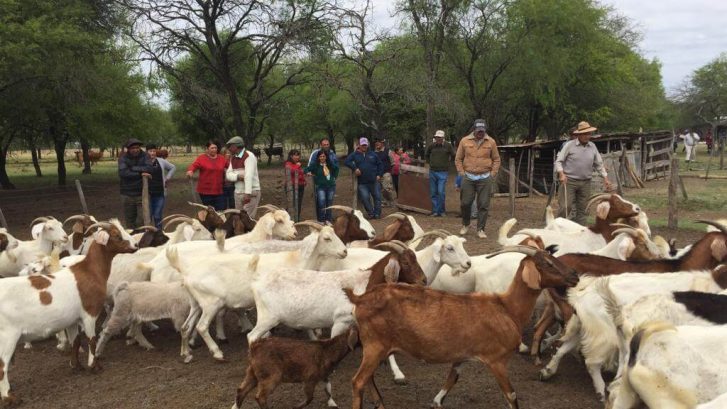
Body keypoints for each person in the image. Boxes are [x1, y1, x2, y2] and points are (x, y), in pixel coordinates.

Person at [555, 121, 613, 225]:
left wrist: (606, 178)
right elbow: (559, 161)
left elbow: (599, 164)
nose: (587, 136)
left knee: (583, 209)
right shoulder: (569, 145)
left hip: (586, 182)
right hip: (569, 181)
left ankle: (580, 230)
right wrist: (561, 174)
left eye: (589, 134)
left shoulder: (592, 146)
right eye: (585, 134)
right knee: (565, 207)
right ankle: (557, 227)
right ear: (579, 135)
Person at [455, 119, 501, 238]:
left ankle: (480, 229)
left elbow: (496, 159)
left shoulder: (491, 142)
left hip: (485, 177)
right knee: (465, 203)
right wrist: (461, 172)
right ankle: (465, 224)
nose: (481, 133)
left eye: (482, 130)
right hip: (468, 176)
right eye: (478, 130)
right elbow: (458, 158)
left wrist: (493, 174)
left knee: (484, 205)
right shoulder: (465, 141)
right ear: (474, 130)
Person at [118, 138, 154, 229]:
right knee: (130, 220)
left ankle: (142, 238)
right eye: (133, 148)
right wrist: (140, 173)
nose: (135, 150)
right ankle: (132, 240)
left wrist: (132, 168)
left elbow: (149, 169)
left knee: (143, 219)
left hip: (142, 193)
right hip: (127, 193)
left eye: (137, 147)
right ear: (128, 149)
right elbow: (123, 173)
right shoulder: (123, 158)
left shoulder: (146, 156)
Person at [345, 137, 383, 219]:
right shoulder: (354, 154)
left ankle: (377, 214)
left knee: (378, 197)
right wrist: (355, 168)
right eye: (362, 145)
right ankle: (371, 213)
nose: (364, 146)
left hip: (374, 181)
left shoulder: (373, 154)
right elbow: (346, 161)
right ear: (359, 145)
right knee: (365, 198)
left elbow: (380, 164)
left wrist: (379, 175)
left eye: (365, 145)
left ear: (367, 145)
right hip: (362, 183)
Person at [224, 136, 261, 218]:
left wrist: (247, 194)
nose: (229, 149)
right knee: (239, 219)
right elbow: (228, 175)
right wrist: (237, 176)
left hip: (251, 192)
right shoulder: (233, 158)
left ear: (235, 146)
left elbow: (248, 176)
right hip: (238, 192)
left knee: (247, 219)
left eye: (230, 146)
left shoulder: (249, 156)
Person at [186, 140, 227, 211]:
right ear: (207, 149)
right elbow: (194, 165)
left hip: (219, 190)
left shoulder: (222, 158)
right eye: (212, 148)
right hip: (205, 191)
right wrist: (190, 171)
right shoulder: (202, 158)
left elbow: (230, 166)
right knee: (210, 211)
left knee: (221, 210)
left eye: (215, 148)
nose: (214, 150)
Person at [425, 130, 456, 217]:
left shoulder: (448, 145)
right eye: (436, 137)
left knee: (441, 192)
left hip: (443, 172)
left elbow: (453, 155)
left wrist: (449, 163)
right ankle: (435, 211)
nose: (438, 139)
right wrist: (429, 163)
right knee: (433, 192)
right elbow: (426, 154)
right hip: (433, 171)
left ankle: (442, 211)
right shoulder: (432, 145)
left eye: (440, 137)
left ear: (443, 138)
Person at [145, 144, 176, 229]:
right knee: (148, 216)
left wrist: (167, 178)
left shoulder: (161, 161)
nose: (152, 153)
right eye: (150, 151)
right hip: (147, 195)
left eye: (154, 151)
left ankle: (159, 233)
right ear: (146, 152)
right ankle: (147, 233)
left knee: (157, 215)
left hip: (160, 193)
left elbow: (173, 167)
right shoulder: (143, 162)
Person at [305, 150, 339, 223]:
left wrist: (335, 177)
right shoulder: (315, 165)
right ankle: (321, 220)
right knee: (321, 203)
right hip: (320, 187)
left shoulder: (330, 164)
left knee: (329, 203)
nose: (322, 158)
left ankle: (328, 220)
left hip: (331, 186)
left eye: (324, 156)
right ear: (318, 157)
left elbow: (336, 168)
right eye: (320, 156)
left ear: (326, 157)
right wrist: (308, 173)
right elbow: (306, 169)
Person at [285, 149, 306, 220]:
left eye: (298, 155)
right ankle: (288, 218)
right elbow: (291, 171)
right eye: (295, 155)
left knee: (298, 202)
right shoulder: (288, 163)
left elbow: (300, 174)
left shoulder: (297, 164)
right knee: (291, 203)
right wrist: (297, 166)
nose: (297, 157)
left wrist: (304, 181)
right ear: (291, 156)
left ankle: (297, 218)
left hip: (300, 186)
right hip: (291, 186)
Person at [374, 138, 395, 204]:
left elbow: (392, 163)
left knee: (387, 188)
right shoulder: (373, 152)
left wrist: (389, 171)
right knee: (379, 189)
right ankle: (383, 202)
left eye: (379, 142)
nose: (377, 143)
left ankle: (390, 201)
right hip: (377, 174)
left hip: (386, 173)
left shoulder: (388, 151)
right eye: (376, 142)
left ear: (382, 143)